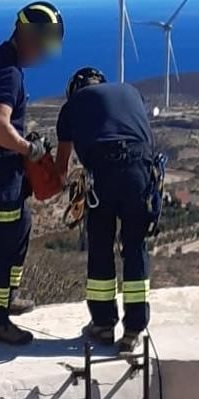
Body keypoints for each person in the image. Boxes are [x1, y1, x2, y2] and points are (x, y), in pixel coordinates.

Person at [0, 2, 65, 347]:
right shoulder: (6, 72)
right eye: (45, 46)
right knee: (2, 243)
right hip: (0, 171)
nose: (46, 55)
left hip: (3, 171)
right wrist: (28, 148)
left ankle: (7, 299)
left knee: (19, 229)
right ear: (30, 38)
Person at [54, 67, 159, 351]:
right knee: (135, 245)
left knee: (101, 246)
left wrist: (51, 183)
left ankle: (102, 324)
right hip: (140, 171)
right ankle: (134, 330)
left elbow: (61, 169)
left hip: (103, 172)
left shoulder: (72, 106)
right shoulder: (130, 91)